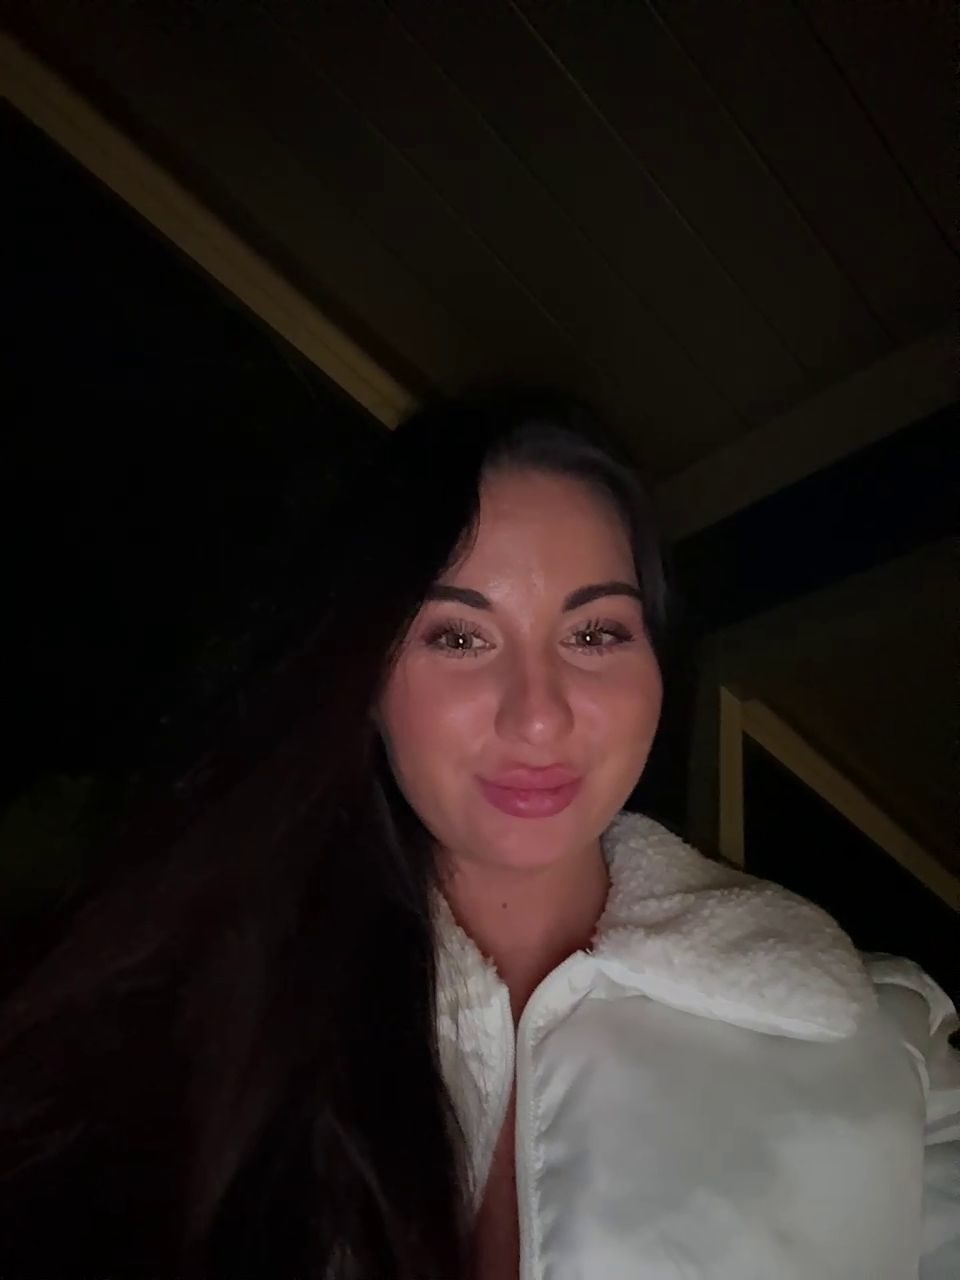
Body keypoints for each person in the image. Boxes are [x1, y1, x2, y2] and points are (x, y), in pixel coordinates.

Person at [0, 389, 957, 1279]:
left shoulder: (892, 1051)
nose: (538, 716)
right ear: (366, 683)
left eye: (596, 634)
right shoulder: (195, 1020)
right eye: (459, 637)